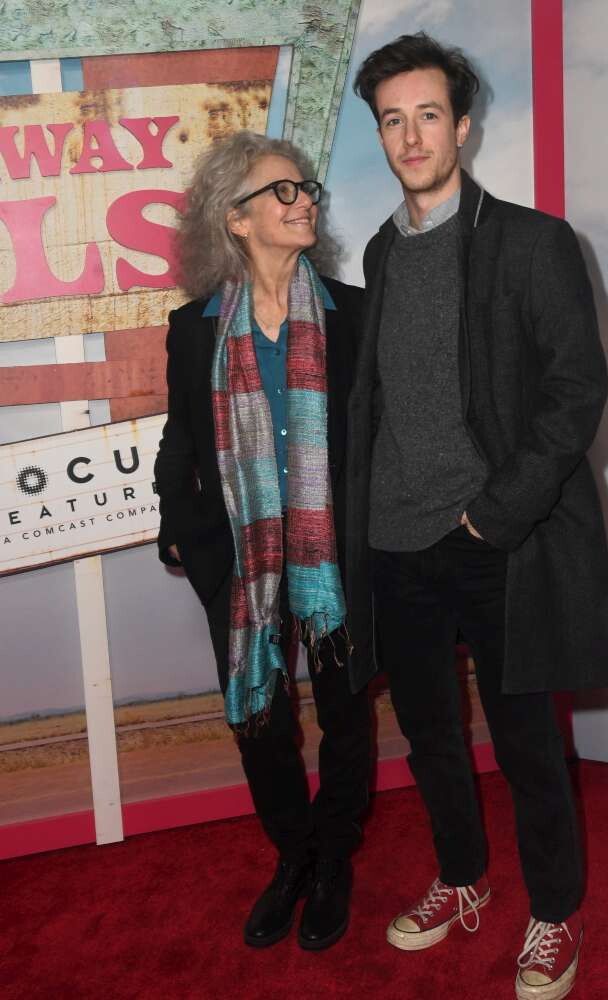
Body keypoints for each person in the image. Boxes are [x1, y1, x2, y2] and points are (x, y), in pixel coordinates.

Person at [350, 33, 608, 999]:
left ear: (462, 126)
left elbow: (575, 391)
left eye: (429, 115)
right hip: (397, 540)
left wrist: (494, 516)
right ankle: (462, 876)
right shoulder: (380, 252)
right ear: (380, 135)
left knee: (526, 744)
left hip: (493, 540)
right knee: (430, 737)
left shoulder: (533, 242)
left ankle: (554, 911)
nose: (411, 136)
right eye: (393, 120)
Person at [154, 131, 374, 952]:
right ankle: (295, 856)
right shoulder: (194, 329)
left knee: (346, 713)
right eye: (282, 191)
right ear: (235, 219)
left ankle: (335, 856)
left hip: (336, 558)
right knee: (261, 721)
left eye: (306, 187)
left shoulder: (354, 314)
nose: (303, 200)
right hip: (241, 562)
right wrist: (179, 528)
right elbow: (181, 440)